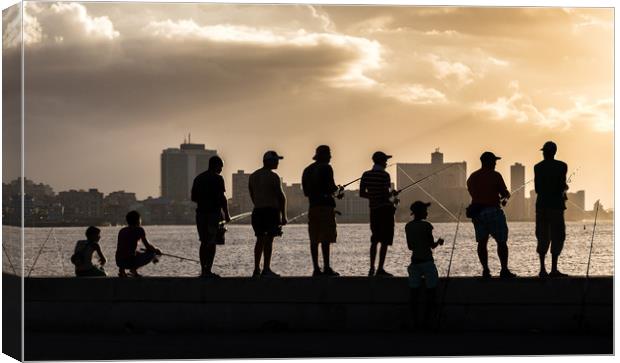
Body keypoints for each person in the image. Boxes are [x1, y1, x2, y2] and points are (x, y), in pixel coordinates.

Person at [466, 151, 516, 278]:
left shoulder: (472, 177)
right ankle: (504, 270)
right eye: (494, 161)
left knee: (482, 242)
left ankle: (486, 270)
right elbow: (504, 193)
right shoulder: (495, 175)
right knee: (501, 241)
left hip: (477, 213)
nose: (495, 163)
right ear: (488, 162)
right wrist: (506, 196)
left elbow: (474, 194)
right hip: (493, 211)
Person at [302, 145, 343, 277]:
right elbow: (331, 188)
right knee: (326, 239)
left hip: (313, 207)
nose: (331, 156)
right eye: (329, 154)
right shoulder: (326, 167)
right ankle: (326, 268)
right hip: (326, 207)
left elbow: (306, 192)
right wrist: (338, 191)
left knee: (314, 239)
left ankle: (316, 269)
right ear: (324, 155)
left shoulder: (307, 170)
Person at [191, 155, 232, 278]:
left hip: (201, 214)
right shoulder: (218, 179)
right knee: (212, 241)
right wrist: (227, 214)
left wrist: (204, 200)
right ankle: (208, 270)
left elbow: (193, 198)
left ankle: (204, 271)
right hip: (213, 215)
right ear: (216, 165)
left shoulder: (198, 178)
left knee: (204, 242)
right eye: (221, 167)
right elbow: (222, 198)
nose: (221, 170)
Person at [249, 150, 287, 277]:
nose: (277, 163)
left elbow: (252, 195)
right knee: (269, 240)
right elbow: (281, 197)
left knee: (259, 239)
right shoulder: (273, 176)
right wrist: (283, 216)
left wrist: (259, 204)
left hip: (257, 211)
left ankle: (256, 269)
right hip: (270, 212)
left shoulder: (253, 176)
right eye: (276, 160)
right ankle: (266, 269)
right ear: (269, 161)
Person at [406, 201, 444, 330]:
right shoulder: (427, 226)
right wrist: (439, 242)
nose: (427, 212)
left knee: (414, 295)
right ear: (421, 212)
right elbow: (431, 245)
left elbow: (410, 246)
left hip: (414, 263)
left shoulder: (408, 226)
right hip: (427, 262)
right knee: (431, 293)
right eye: (425, 210)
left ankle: (414, 323)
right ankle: (428, 322)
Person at [360, 151, 397, 277]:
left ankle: (371, 268)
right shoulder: (385, 175)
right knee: (385, 240)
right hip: (385, 211)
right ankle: (380, 269)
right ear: (381, 161)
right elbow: (387, 195)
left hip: (374, 211)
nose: (387, 163)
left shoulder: (365, 175)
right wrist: (393, 195)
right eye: (385, 161)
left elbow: (362, 193)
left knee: (374, 240)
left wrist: (373, 196)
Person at [534, 141, 568, 278]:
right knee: (557, 236)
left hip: (541, 206)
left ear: (545, 152)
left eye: (544, 151)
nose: (543, 154)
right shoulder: (562, 166)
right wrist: (564, 189)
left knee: (542, 236)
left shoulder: (537, 167)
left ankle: (542, 270)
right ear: (555, 152)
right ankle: (554, 269)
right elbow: (561, 186)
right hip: (556, 207)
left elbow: (537, 189)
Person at [115, 211, 162, 278]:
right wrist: (156, 250)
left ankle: (122, 271)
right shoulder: (139, 230)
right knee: (151, 253)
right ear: (138, 220)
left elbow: (122, 248)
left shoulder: (122, 230)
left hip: (119, 261)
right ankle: (133, 270)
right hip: (129, 262)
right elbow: (148, 246)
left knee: (129, 253)